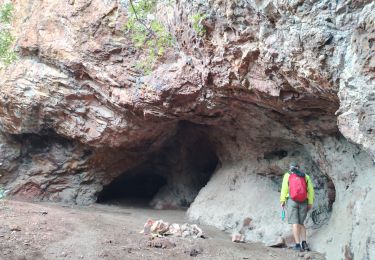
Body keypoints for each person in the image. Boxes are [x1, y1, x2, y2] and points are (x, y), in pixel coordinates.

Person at [280, 162, 314, 252]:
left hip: (292, 201)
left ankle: (298, 245)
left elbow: (284, 189)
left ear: (290, 168)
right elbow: (310, 190)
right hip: (304, 201)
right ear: (298, 168)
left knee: (295, 223)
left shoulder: (287, 176)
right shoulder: (305, 176)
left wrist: (282, 200)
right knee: (301, 223)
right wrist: (310, 202)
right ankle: (304, 243)